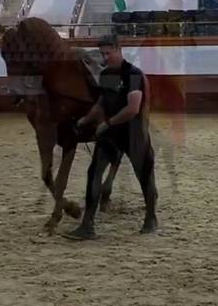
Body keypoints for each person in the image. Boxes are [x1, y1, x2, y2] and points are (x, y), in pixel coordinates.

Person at [64, 34, 158, 240]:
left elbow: (133, 109)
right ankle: (87, 224)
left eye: (109, 53)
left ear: (119, 49)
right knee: (94, 174)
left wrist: (107, 123)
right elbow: (101, 104)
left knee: (145, 177)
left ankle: (151, 218)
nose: (106, 57)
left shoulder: (133, 74)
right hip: (111, 135)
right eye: (103, 54)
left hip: (134, 133)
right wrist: (85, 121)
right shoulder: (106, 74)